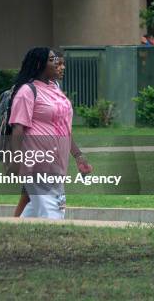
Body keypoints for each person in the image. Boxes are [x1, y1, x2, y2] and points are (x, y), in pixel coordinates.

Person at [9, 47, 93, 219]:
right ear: (40, 64)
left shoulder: (54, 88)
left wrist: (78, 155)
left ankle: (11, 235)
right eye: (52, 60)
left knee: (33, 214)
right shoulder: (27, 91)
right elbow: (18, 129)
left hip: (57, 164)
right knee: (55, 214)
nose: (57, 64)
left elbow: (63, 128)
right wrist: (16, 162)